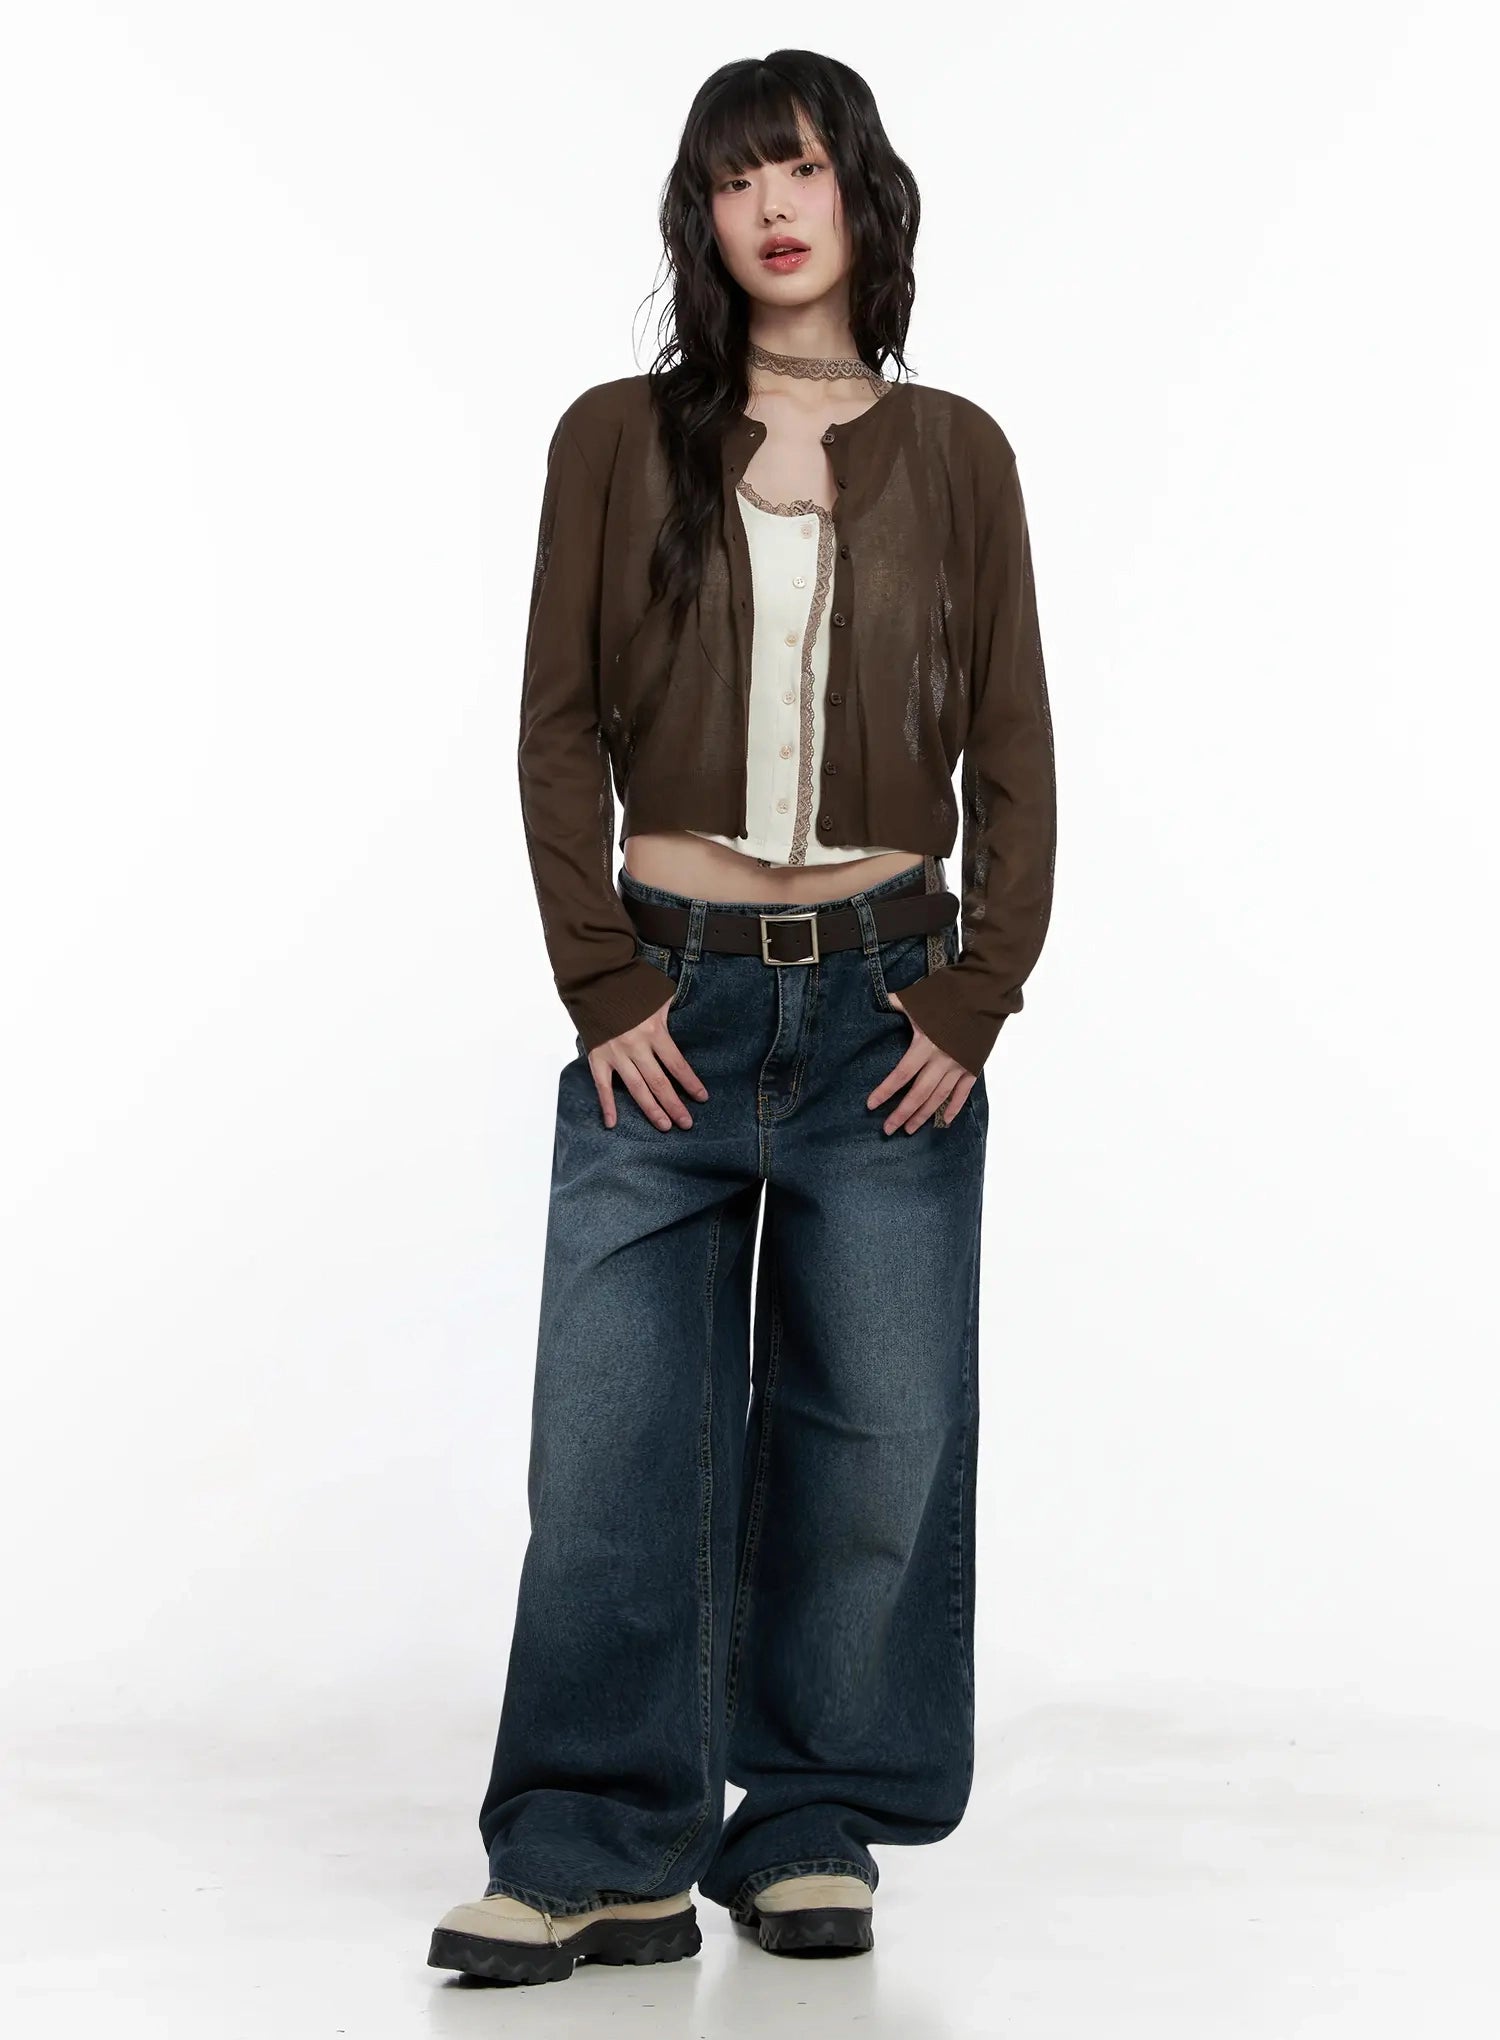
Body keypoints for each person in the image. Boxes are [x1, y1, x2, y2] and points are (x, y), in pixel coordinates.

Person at [427, 48, 1056, 1988]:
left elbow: (1016, 749)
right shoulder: (617, 438)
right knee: (611, 1452)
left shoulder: (958, 453)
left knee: (876, 1443)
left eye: (803, 169)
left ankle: (803, 1823)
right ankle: (594, 1847)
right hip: (671, 1009)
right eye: (733, 177)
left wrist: (977, 990)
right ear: (699, 216)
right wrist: (601, 977)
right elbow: (555, 727)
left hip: (887, 1013)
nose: (773, 207)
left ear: (865, 196)